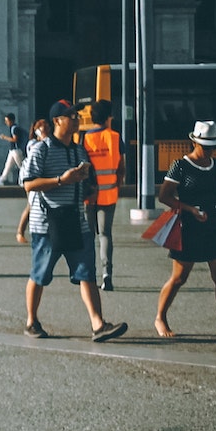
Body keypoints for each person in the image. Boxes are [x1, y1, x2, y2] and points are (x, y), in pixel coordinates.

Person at [21, 100, 126, 341]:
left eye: (77, 116)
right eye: (72, 116)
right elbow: (28, 184)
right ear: (57, 121)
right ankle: (31, 321)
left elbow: (82, 182)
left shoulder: (79, 150)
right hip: (47, 224)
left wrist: (86, 186)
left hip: (76, 219)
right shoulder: (41, 149)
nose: (78, 120)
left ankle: (98, 324)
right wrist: (61, 180)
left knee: (86, 273)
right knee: (40, 274)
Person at [155, 120, 216, 341]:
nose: (210, 150)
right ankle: (160, 317)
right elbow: (164, 196)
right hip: (188, 227)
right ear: (194, 141)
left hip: (214, 227)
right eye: (206, 146)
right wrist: (189, 209)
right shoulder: (180, 166)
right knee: (179, 277)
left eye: (213, 146)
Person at [81, 99, 124, 292]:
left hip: (89, 195)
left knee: (89, 236)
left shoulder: (85, 138)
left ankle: (89, 274)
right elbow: (121, 167)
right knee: (105, 234)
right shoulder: (115, 137)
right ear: (108, 117)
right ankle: (107, 276)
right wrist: (117, 184)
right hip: (109, 194)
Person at [14, 118, 49, 245]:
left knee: (32, 204)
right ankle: (20, 232)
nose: (45, 130)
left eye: (47, 128)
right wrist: (43, 137)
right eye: (42, 128)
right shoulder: (33, 143)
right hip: (30, 177)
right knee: (30, 205)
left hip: (37, 177)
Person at [0, 113, 24, 185]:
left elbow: (15, 139)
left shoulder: (14, 128)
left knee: (21, 166)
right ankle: (2, 179)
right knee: (8, 165)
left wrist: (4, 137)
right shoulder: (13, 128)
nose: (6, 122)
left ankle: (24, 180)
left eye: (7, 121)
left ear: (11, 120)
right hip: (13, 151)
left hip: (16, 150)